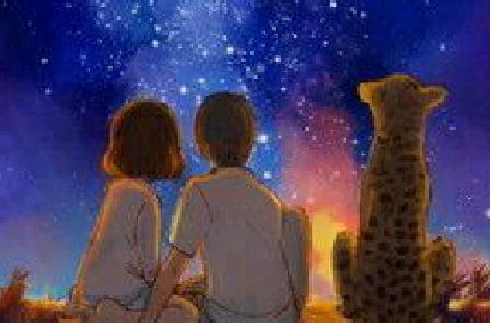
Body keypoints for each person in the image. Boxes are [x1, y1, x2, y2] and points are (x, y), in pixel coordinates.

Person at [141, 92, 311, 323]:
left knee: (178, 304)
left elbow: (173, 268)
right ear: (249, 144)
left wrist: (147, 318)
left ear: (203, 145)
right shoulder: (266, 197)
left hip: (227, 317)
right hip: (278, 316)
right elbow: (246, 268)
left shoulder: (200, 190)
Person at [70, 99, 198, 323]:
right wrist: (169, 285)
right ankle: (120, 317)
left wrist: (78, 294)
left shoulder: (116, 190)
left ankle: (105, 313)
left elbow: (95, 243)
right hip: (125, 294)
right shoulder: (146, 197)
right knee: (187, 313)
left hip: (92, 292)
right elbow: (150, 268)